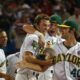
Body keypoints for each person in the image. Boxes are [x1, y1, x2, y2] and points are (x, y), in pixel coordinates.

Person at [15, 14, 53, 80]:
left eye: (48, 25)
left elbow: (42, 68)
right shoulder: (34, 37)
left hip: (33, 75)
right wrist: (44, 63)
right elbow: (27, 57)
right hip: (25, 76)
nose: (46, 28)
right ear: (37, 25)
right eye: (44, 25)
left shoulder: (47, 39)